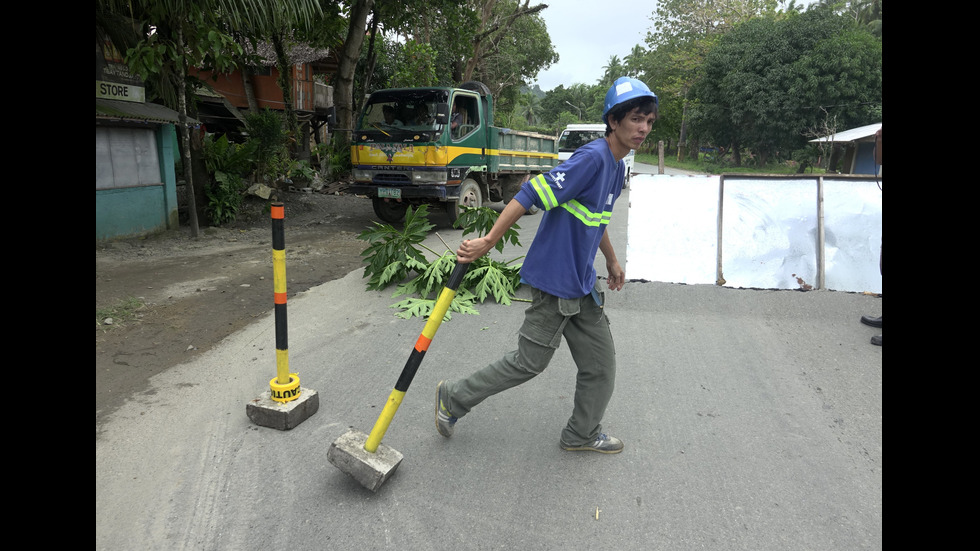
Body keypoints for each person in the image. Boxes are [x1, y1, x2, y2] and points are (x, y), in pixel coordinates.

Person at [434, 77, 658, 454]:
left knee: (600, 366)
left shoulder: (617, 168)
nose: (643, 128)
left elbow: (596, 219)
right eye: (636, 119)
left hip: (582, 283)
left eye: (649, 122)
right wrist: (488, 241)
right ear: (614, 120)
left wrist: (612, 260)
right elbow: (530, 192)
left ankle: (581, 434)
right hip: (555, 282)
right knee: (528, 363)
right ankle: (452, 398)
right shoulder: (592, 158)